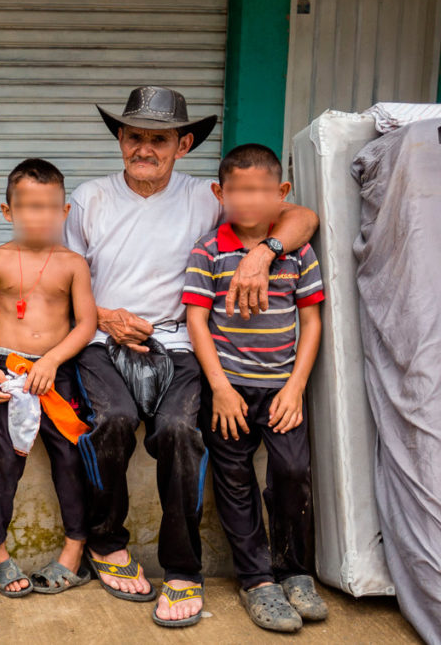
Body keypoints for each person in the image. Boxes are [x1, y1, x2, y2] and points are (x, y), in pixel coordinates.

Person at [64, 86, 320, 627]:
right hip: (102, 339)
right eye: (134, 136)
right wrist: (105, 316)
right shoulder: (89, 198)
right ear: (120, 139)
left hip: (178, 341)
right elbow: (68, 281)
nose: (144, 148)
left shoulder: (208, 196)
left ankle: (182, 569)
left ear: (183, 145)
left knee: (182, 431)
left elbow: (302, 216)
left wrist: (263, 253)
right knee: (113, 421)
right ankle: (106, 542)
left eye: (159, 139)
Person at [184, 144, 327, 632]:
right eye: (238, 191)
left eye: (261, 191)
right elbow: (197, 321)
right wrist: (220, 388)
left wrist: (296, 387)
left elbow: (311, 321)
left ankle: (294, 570)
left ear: (282, 192)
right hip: (229, 390)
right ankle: (257, 580)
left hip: (281, 388)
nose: (248, 201)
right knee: (235, 479)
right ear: (219, 193)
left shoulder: (297, 252)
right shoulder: (208, 251)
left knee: (292, 472)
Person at [0, 158, 98, 596]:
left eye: (49, 207)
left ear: (64, 211)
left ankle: (74, 550)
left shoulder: (73, 263)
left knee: (69, 459)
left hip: (56, 374)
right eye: (28, 206)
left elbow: (86, 324)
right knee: (5, 462)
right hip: (8, 372)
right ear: (8, 211)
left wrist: (52, 361)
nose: (39, 216)